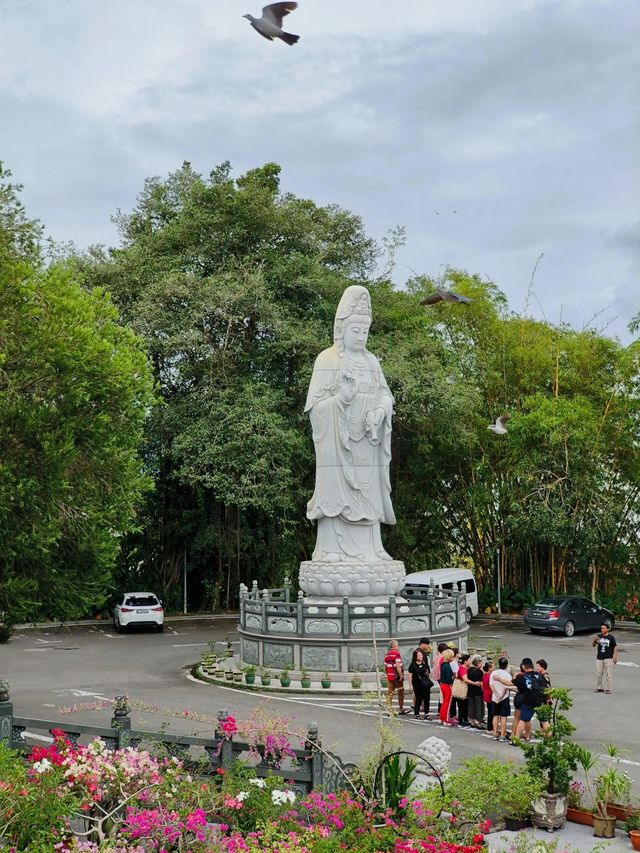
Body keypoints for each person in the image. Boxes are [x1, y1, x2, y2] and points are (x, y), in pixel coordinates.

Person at [305, 285, 396, 564]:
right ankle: (332, 548)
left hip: (367, 444)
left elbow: (386, 395)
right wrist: (340, 401)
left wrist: (380, 411)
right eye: (355, 331)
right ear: (341, 328)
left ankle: (373, 548)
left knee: (370, 492)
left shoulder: (371, 362)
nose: (361, 337)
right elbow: (314, 409)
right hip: (338, 448)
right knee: (336, 493)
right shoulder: (327, 360)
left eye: (365, 331)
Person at [511, 658, 547, 743]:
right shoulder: (539, 675)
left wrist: (498, 679)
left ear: (523, 666)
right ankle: (551, 738)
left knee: (522, 719)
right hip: (540, 700)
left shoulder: (521, 676)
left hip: (527, 700)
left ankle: (516, 738)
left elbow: (510, 683)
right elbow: (546, 688)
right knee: (544, 721)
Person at [489, 656, 515, 741]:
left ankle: (495, 733)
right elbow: (507, 686)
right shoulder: (507, 675)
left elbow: (491, 685)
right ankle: (503, 735)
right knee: (504, 716)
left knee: (495, 716)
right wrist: (501, 696)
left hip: (494, 697)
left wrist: (496, 694)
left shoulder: (494, 673)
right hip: (505, 697)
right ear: (506, 665)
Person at [384, 639, 410, 716]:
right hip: (397, 677)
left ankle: (389, 709)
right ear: (394, 646)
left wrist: (388, 674)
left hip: (390, 677)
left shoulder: (386, 655)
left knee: (390, 693)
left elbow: (385, 666)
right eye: (397, 645)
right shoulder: (397, 654)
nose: (398, 647)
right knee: (400, 693)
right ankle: (401, 709)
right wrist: (401, 675)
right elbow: (398, 665)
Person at [592, 623, 618, 694]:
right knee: (599, 673)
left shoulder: (611, 637)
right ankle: (599, 688)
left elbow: (615, 647)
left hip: (608, 658)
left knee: (608, 674)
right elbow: (593, 645)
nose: (602, 629)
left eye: (604, 628)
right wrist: (594, 640)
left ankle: (608, 689)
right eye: (601, 628)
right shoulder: (599, 636)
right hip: (599, 657)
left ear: (607, 629)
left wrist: (615, 657)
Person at [408, 648, 433, 719]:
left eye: (421, 655)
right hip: (417, 684)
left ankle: (426, 713)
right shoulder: (412, 665)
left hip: (425, 684)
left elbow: (427, 671)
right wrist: (410, 686)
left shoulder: (424, 662)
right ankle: (416, 713)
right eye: (419, 655)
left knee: (427, 698)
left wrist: (428, 679)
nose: (421, 657)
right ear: (415, 656)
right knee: (418, 698)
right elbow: (410, 676)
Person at [466, 655, 485, 729]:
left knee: (471, 706)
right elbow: (481, 683)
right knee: (478, 707)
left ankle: (472, 721)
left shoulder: (469, 670)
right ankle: (478, 723)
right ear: (478, 663)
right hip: (478, 692)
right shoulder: (479, 671)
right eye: (481, 662)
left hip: (470, 691)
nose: (482, 664)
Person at [438, 648, 456, 726]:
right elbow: (449, 679)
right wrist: (454, 680)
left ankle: (441, 718)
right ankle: (446, 720)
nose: (453, 658)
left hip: (442, 684)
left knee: (444, 703)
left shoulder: (443, 665)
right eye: (452, 657)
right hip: (447, 686)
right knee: (448, 703)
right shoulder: (448, 666)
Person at [455, 653, 471, 728]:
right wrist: (474, 683)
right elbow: (465, 679)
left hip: (465, 690)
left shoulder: (464, 668)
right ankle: (461, 721)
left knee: (465, 705)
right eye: (469, 660)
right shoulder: (463, 668)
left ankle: (465, 719)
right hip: (462, 689)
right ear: (465, 661)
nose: (470, 661)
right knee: (462, 705)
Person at [482, 660, 495, 734]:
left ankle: (490, 727)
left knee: (490, 711)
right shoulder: (490, 676)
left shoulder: (485, 675)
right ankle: (490, 728)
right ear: (489, 668)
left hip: (486, 695)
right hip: (490, 695)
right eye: (493, 667)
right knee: (491, 712)